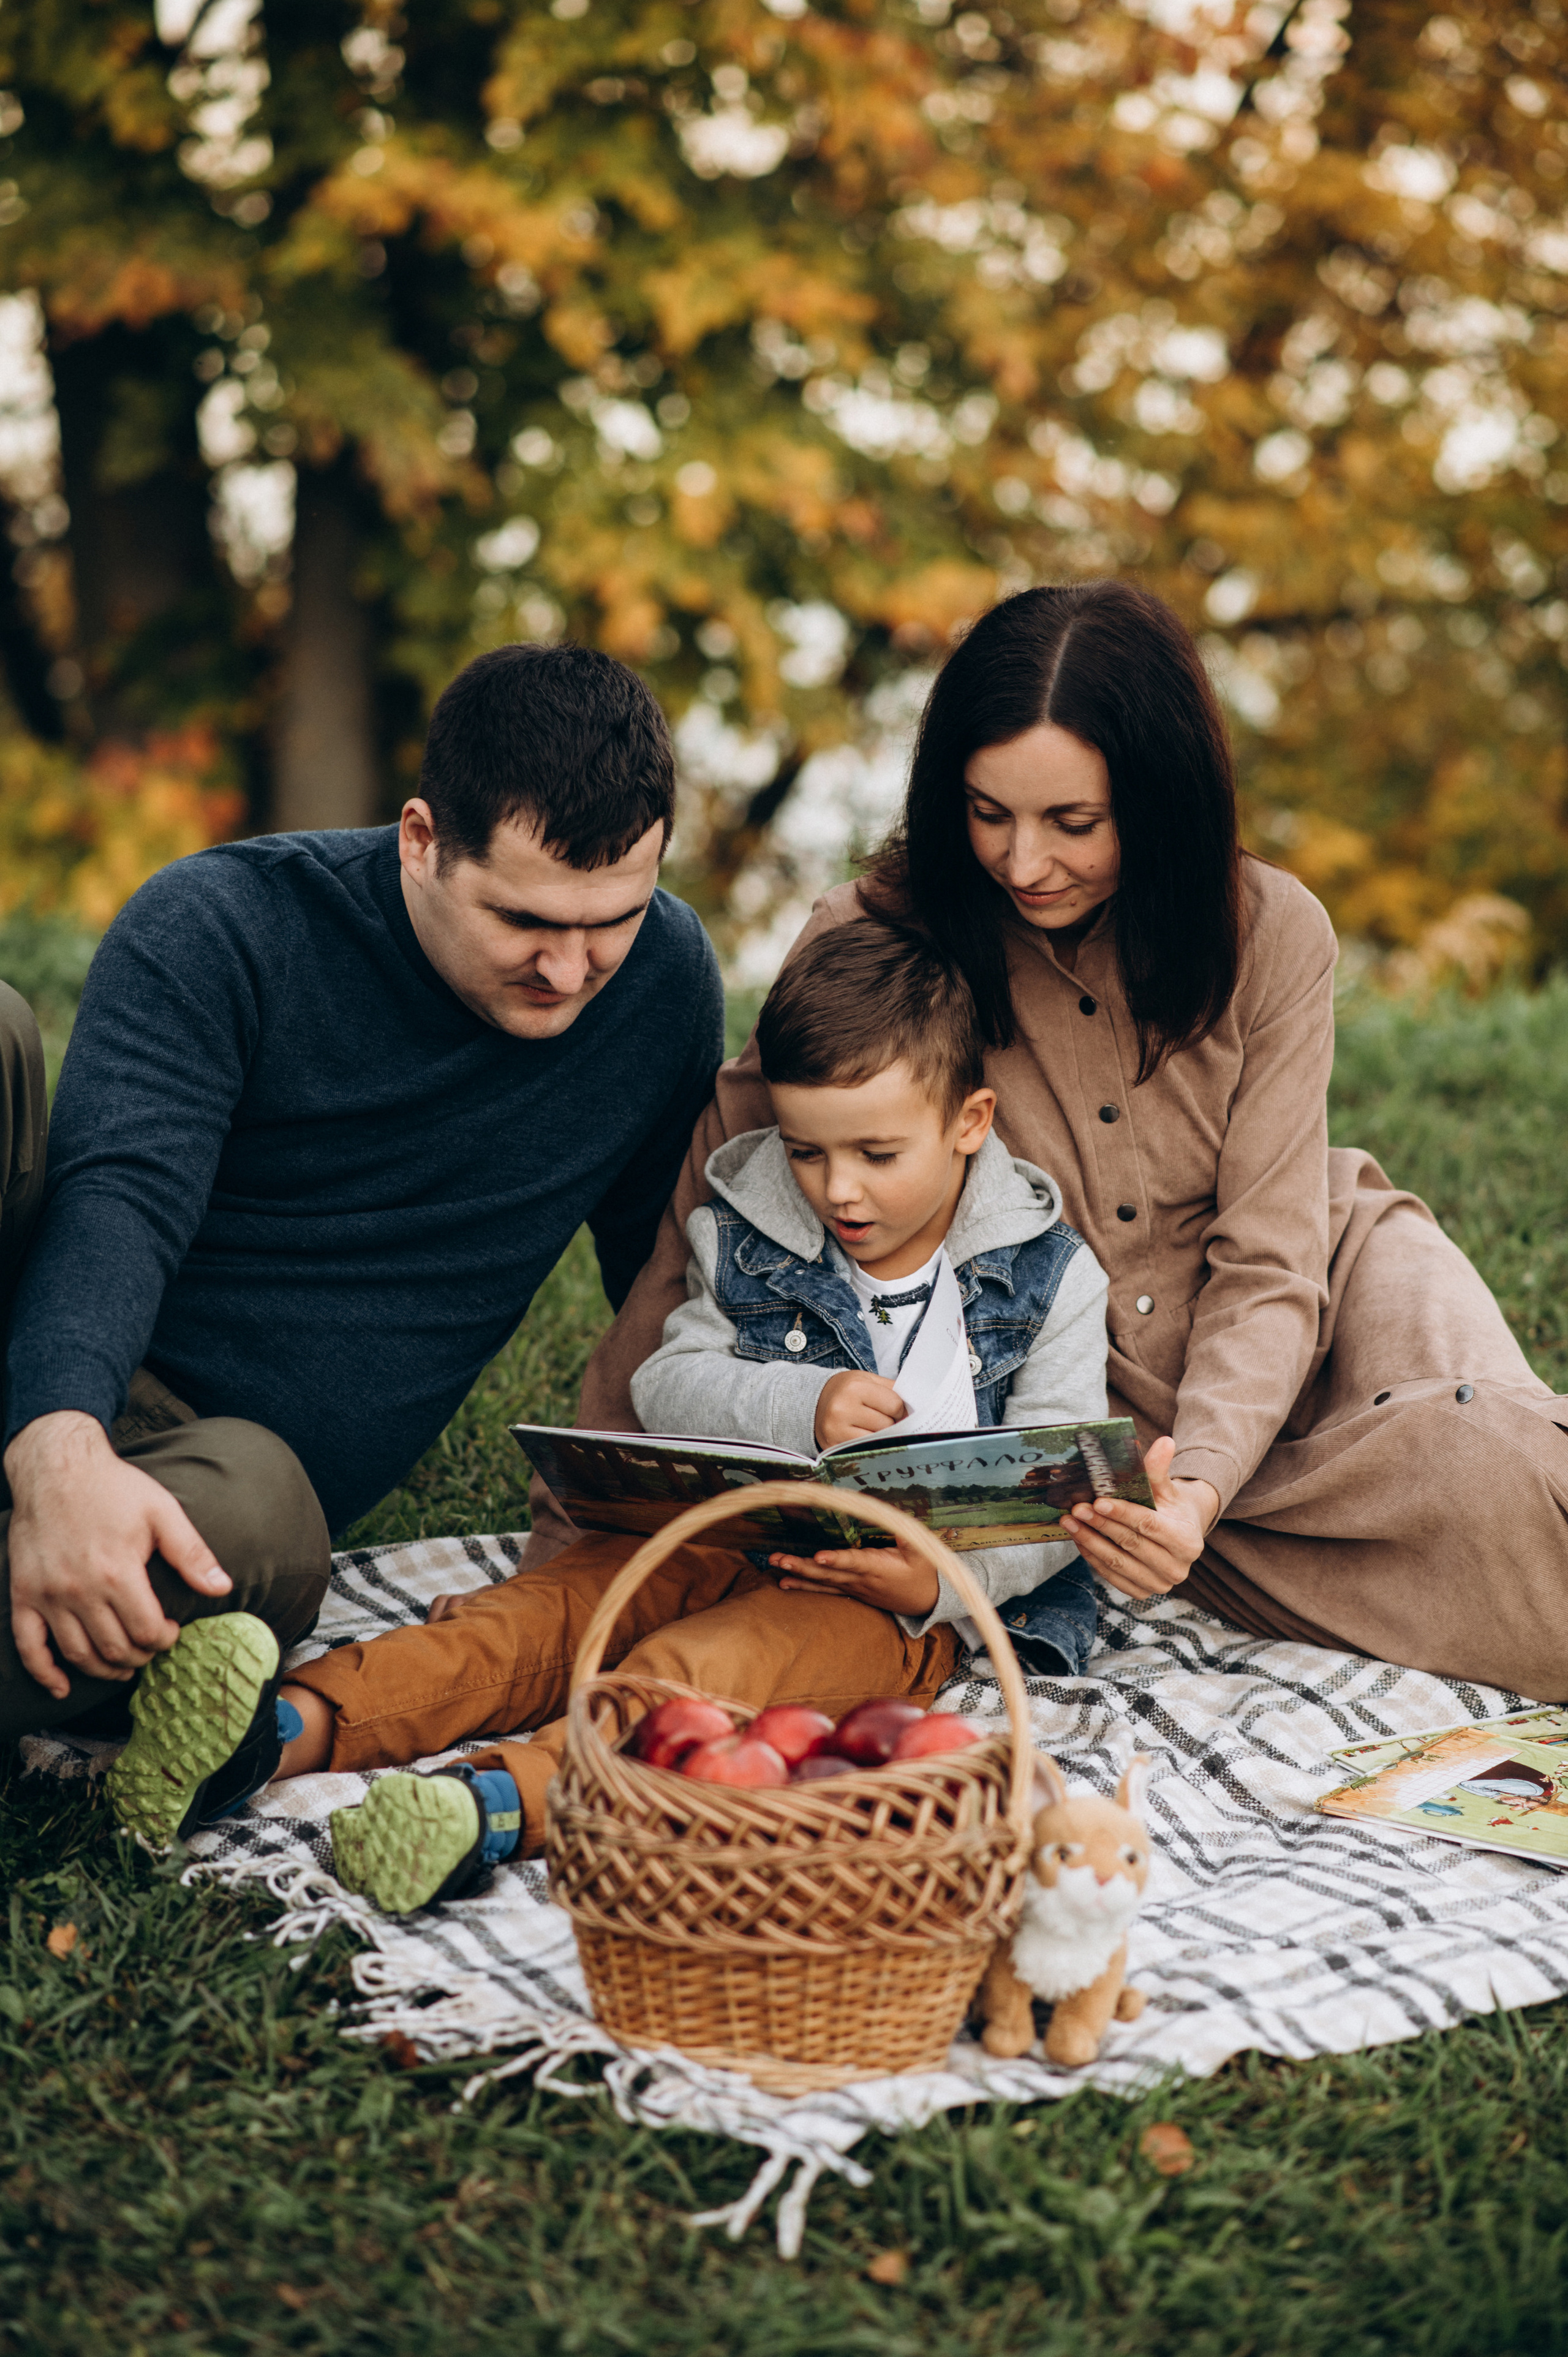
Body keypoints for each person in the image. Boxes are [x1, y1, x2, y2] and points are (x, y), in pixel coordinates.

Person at [537, 578, 1568, 1702]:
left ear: (1161, 802)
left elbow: (1273, 1262)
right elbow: (723, 1204)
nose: (1024, 863)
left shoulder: (1274, 933)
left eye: (1074, 824)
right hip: (1105, 1434)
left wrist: (1199, 1487)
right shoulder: (870, 937)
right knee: (1466, 1537)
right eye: (989, 814)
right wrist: (576, 1528)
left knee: (1508, 1465)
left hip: (1319, 1301)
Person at [214, 921, 1111, 1914]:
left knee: (697, 1675)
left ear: (970, 1121)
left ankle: (497, 1803)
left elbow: (1058, 1495)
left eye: (877, 1154)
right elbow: (671, 1382)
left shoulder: (1052, 1276)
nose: (839, 1189)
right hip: (715, 1531)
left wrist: (936, 1582)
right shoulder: (751, 1227)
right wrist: (803, 1404)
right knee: (536, 1617)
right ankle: (275, 1731)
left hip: (885, 1610)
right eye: (806, 1151)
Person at [0, 642, 725, 1833]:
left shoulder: (660, 983)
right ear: (421, 840)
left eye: (613, 921)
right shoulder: (222, 925)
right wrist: (57, 1453)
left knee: (261, 1520)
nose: (569, 968)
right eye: (524, 920)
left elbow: (666, 1279)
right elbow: (118, 1199)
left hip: (204, 1481)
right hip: (46, 1348)